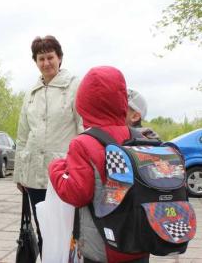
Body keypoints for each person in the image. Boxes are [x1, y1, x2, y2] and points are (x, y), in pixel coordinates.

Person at [48, 66, 149, 262]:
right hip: (141, 240)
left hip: (103, 246)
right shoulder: (140, 137)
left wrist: (55, 169)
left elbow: (77, 194)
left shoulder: (84, 143)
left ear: (83, 103)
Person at [13, 35, 83, 255]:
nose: (46, 63)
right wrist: (19, 174)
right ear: (35, 61)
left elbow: (82, 128)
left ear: (59, 58)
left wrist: (82, 167)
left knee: (66, 232)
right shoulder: (31, 93)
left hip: (63, 174)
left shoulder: (74, 87)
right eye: (41, 59)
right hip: (34, 174)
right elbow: (23, 135)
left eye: (50, 57)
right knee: (43, 229)